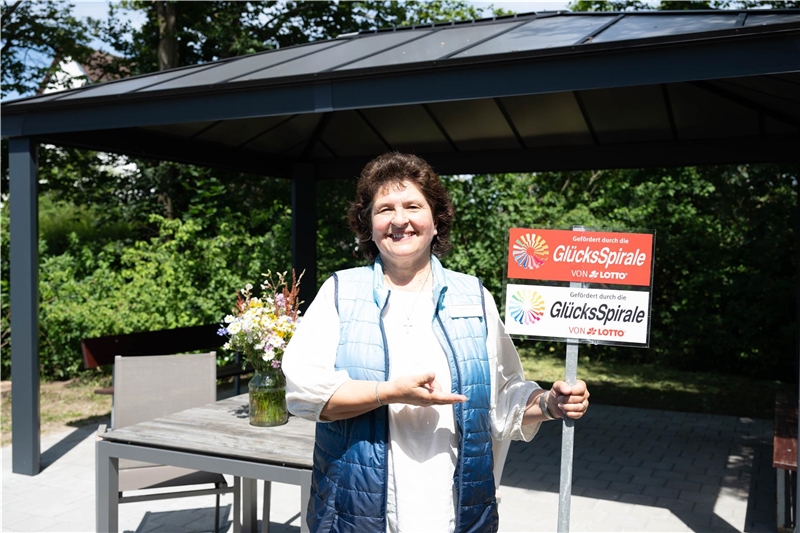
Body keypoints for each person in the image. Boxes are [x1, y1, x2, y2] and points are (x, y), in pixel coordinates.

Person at [282, 152, 590, 533]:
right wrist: (388, 392)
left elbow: (503, 397)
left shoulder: (473, 296)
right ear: (368, 224)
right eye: (384, 209)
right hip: (357, 513)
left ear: (435, 220)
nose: (399, 220)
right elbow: (305, 393)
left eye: (413, 205)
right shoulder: (340, 293)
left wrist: (548, 403)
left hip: (452, 513)